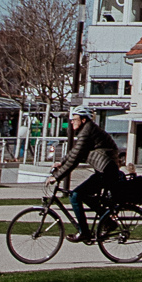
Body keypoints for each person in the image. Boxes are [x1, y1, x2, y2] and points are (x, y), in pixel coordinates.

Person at [51, 105, 122, 245]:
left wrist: (57, 176)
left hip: (106, 171)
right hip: (106, 170)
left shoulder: (87, 131)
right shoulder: (88, 129)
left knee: (75, 195)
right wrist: (61, 163)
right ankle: (108, 222)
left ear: (83, 120)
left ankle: (84, 232)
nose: (72, 122)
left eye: (74, 119)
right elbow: (75, 151)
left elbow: (76, 157)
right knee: (84, 195)